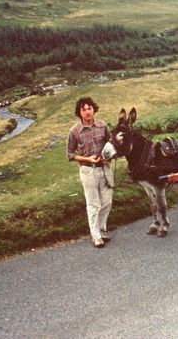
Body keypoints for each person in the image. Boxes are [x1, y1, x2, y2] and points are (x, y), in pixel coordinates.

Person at [66, 96, 114, 248]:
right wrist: (87, 159)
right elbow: (70, 155)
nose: (87, 112)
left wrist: (109, 158)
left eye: (89, 108)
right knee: (93, 204)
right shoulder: (74, 131)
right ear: (79, 112)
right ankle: (96, 236)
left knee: (107, 202)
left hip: (105, 169)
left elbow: (111, 144)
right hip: (88, 170)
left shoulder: (102, 126)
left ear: (94, 109)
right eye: (83, 109)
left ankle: (101, 228)